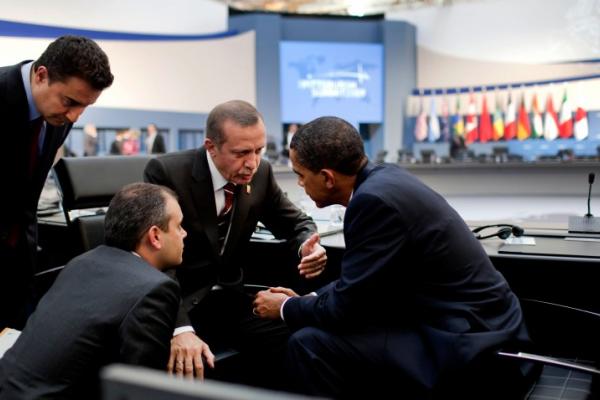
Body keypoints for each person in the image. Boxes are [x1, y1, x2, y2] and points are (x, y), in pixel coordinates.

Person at [253, 116, 534, 398]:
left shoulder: (371, 202)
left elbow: (346, 309)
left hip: (468, 341)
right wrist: (309, 300)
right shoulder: (385, 179)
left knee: (307, 345)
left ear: (327, 177)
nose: (300, 183)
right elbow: (363, 285)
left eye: (300, 175)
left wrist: (286, 307)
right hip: (480, 322)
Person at [143, 100, 327, 384]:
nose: (252, 162)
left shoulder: (261, 173)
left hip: (230, 299)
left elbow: (296, 223)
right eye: (241, 153)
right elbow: (150, 258)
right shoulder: (167, 173)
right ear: (211, 147)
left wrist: (307, 245)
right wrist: (179, 329)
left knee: (304, 340)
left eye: (259, 150)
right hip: (179, 301)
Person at [0, 183, 185, 399]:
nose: (184, 233)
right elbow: (141, 390)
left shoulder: (81, 262)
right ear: (155, 236)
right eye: (179, 226)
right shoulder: (155, 289)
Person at [0, 35, 113, 330]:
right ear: (41, 75)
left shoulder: (56, 116)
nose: (75, 115)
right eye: (70, 102)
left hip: (17, 265)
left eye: (85, 107)